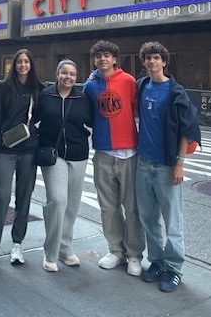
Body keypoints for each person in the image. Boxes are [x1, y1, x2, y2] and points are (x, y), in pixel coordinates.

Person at [135, 41, 201, 292]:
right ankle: (157, 261)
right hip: (143, 163)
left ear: (164, 61)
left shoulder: (176, 92)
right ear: (144, 63)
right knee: (149, 218)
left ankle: (174, 268)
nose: (152, 62)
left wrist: (179, 164)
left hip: (166, 166)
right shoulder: (141, 86)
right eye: (148, 58)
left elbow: (187, 129)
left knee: (172, 220)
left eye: (156, 58)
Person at [83, 40, 144, 276]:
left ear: (115, 59)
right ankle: (115, 251)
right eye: (98, 56)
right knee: (108, 207)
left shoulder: (129, 81)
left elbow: (138, 110)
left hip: (130, 152)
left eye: (107, 55)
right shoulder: (90, 86)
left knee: (132, 207)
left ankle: (135, 254)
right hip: (103, 153)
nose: (103, 59)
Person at [0, 48, 43, 271]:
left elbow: (45, 118)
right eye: (19, 62)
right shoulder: (2, 88)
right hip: (4, 149)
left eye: (27, 61)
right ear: (14, 65)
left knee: (24, 199)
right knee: (1, 196)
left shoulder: (39, 89)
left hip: (29, 151)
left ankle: (18, 243)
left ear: (31, 64)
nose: (23, 65)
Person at [35, 59, 93, 272]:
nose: (68, 77)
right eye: (64, 73)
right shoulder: (46, 95)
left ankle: (65, 247)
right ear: (57, 74)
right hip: (53, 154)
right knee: (58, 200)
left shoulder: (83, 97)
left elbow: (93, 121)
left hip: (79, 155)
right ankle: (50, 250)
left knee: (72, 205)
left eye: (72, 74)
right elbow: (34, 120)